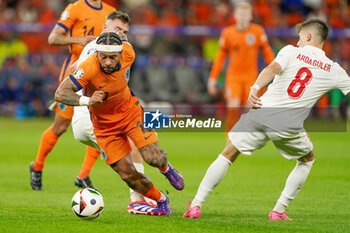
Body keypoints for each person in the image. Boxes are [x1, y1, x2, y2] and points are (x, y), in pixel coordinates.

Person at [184, 19, 350, 220]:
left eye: (299, 38)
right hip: (288, 125)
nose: (297, 42)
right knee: (307, 160)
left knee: (228, 153)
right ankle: (278, 211)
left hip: (261, 112)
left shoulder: (290, 51)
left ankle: (195, 205)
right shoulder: (334, 70)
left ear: (308, 37)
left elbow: (271, 69)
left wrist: (255, 88)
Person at [55, 32, 185, 215]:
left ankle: (166, 168)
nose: (107, 62)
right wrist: (88, 100)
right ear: (97, 53)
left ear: (120, 54)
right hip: (104, 127)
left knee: (153, 158)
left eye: (112, 57)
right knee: (127, 174)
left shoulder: (129, 52)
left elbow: (123, 38)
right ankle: (161, 200)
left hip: (131, 114)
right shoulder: (89, 67)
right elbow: (60, 93)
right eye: (103, 57)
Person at [29, 0, 116, 191]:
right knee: (60, 126)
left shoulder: (111, 12)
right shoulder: (74, 9)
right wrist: (78, 40)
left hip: (98, 77)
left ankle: (83, 175)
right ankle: (37, 166)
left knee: (99, 125)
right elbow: (53, 38)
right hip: (74, 76)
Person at [207, 2, 275, 132]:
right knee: (233, 105)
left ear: (250, 16)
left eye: (246, 15)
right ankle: (230, 138)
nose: (243, 17)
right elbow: (220, 58)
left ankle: (245, 138)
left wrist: (276, 69)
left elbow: (268, 53)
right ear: (235, 16)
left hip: (251, 76)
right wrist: (212, 78)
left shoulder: (257, 31)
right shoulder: (228, 33)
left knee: (248, 108)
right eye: (240, 14)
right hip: (234, 77)